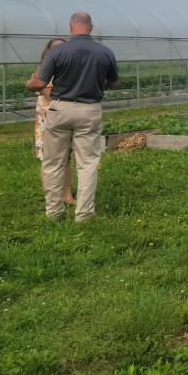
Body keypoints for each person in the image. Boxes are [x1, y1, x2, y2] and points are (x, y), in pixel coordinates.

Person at [26, 12, 119, 222]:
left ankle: (54, 212)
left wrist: (28, 84)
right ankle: (84, 214)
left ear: (70, 27)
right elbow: (113, 83)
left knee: (53, 163)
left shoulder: (58, 51)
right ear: (91, 27)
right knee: (87, 163)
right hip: (90, 110)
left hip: (60, 109)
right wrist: (96, 82)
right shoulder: (105, 52)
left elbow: (40, 83)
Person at [30, 37, 75, 205]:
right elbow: (48, 93)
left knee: (65, 158)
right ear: (47, 52)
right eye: (55, 48)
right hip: (48, 119)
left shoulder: (69, 69)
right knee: (49, 159)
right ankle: (52, 197)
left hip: (64, 116)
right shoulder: (43, 71)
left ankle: (67, 196)